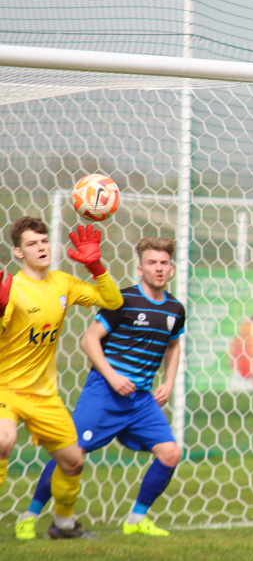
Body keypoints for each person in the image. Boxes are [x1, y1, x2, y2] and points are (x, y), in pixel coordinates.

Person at [16, 236, 185, 540]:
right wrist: (112, 376)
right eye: (152, 263)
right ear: (140, 268)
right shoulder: (122, 301)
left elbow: (173, 345)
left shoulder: (175, 309)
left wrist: (169, 381)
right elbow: (88, 340)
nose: (158, 269)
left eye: (163, 263)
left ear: (171, 269)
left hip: (141, 400)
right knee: (70, 454)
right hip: (104, 393)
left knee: (171, 452)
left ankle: (136, 519)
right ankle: (30, 516)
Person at [0, 217, 122, 540]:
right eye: (31, 244)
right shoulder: (11, 289)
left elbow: (113, 302)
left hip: (44, 395)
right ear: (17, 252)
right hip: (6, 390)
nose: (40, 248)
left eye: (43, 242)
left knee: (73, 462)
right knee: (2, 440)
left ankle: (64, 525)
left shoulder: (62, 283)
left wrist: (96, 266)